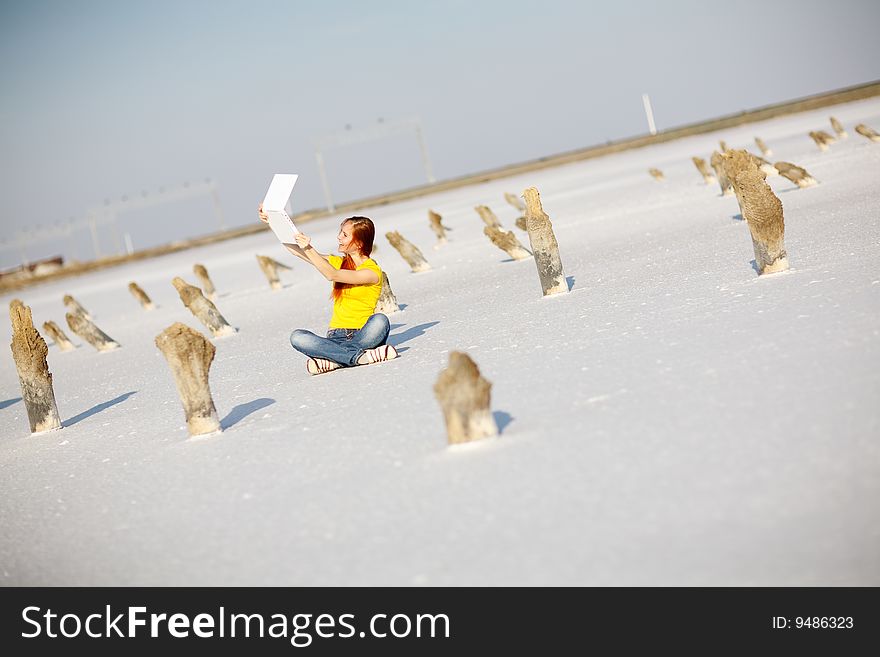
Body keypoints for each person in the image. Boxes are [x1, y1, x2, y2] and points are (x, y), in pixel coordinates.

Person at [258, 205, 398, 375]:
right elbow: (295, 251)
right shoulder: (338, 261)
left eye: (345, 235)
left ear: (359, 243)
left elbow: (333, 275)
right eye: (340, 232)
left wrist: (308, 247)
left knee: (380, 321)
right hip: (335, 337)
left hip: (363, 334)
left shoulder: (371, 272)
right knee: (297, 337)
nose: (339, 237)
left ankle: (335, 359)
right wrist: (273, 223)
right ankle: (358, 357)